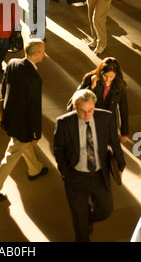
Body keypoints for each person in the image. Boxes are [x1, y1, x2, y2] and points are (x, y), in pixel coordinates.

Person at [54, 88, 126, 242]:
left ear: (94, 105)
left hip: (99, 176)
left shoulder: (106, 118)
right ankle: (82, 220)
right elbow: (58, 150)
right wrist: (66, 174)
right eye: (82, 111)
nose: (87, 115)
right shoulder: (63, 123)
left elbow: (115, 143)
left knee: (106, 210)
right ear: (75, 107)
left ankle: (86, 216)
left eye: (90, 110)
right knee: (80, 226)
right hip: (76, 178)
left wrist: (121, 165)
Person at [0, 40, 48, 201]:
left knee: (21, 146)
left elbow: (4, 86)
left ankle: (35, 169)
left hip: (10, 117)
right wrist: (35, 134)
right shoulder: (34, 79)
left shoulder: (13, 63)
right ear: (37, 54)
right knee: (11, 156)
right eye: (43, 51)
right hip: (23, 125)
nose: (44, 54)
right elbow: (34, 109)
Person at [74, 57, 129, 143]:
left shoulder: (119, 85)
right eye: (105, 76)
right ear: (101, 72)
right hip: (90, 119)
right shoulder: (90, 78)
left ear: (116, 75)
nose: (108, 79)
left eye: (111, 77)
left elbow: (123, 108)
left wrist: (124, 132)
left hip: (108, 122)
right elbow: (78, 98)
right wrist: (92, 87)